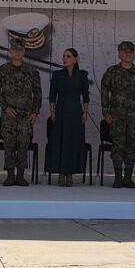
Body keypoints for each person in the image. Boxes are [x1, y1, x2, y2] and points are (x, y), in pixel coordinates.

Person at [0, 38, 42, 186]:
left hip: (26, 116)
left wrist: (35, 112)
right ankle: (9, 176)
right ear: (10, 51)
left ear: (24, 52)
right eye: (14, 50)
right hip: (9, 116)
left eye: (20, 50)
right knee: (9, 144)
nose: (17, 53)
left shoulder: (31, 71)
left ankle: (20, 175)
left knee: (23, 144)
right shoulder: (2, 70)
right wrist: (5, 107)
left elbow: (37, 93)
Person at [101, 41, 135, 189]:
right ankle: (117, 177)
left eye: (130, 52)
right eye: (125, 52)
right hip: (117, 116)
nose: (128, 54)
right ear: (119, 54)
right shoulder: (112, 71)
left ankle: (128, 177)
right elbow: (104, 92)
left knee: (131, 147)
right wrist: (106, 111)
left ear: (134, 54)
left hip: (134, 117)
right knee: (118, 146)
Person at [46, 48, 89, 187]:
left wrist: (85, 112)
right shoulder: (58, 74)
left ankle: (70, 173)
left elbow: (86, 95)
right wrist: (52, 111)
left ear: (75, 59)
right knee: (60, 140)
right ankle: (60, 173)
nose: (65, 59)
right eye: (64, 56)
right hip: (61, 109)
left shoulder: (82, 75)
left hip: (76, 109)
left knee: (73, 141)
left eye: (68, 56)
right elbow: (52, 94)